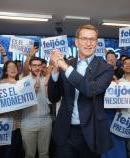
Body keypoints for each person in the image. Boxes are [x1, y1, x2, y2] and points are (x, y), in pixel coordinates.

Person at [48, 24, 113, 158]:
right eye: (84, 39)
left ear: (96, 42)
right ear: (76, 42)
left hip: (91, 133)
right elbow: (53, 97)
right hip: (65, 131)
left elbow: (89, 90)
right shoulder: (67, 65)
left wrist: (64, 66)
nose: (88, 43)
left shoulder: (105, 69)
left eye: (92, 39)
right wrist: (55, 69)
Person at [21, 57, 52, 158]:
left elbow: (51, 101)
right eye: (34, 65)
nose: (37, 68)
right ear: (29, 67)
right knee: (29, 154)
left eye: (39, 65)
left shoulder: (47, 80)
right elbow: (22, 100)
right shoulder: (23, 81)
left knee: (44, 154)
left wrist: (46, 84)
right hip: (28, 121)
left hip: (45, 120)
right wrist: (36, 86)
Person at [0, 61, 24, 158]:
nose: (13, 69)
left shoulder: (21, 84)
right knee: (6, 152)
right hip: (4, 125)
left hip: (18, 124)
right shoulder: (0, 84)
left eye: (14, 67)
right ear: (6, 71)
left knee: (16, 151)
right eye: (10, 67)